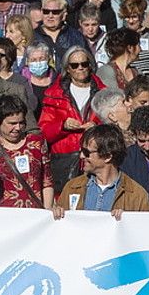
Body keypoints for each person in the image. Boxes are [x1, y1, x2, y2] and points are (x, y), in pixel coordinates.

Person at [52, 123, 149, 218]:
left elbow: (144, 231)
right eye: (81, 151)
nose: (81, 156)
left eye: (87, 153)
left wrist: (126, 220)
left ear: (107, 157)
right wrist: (56, 214)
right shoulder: (72, 187)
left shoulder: (137, 195)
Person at [39, 45, 104, 191]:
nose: (80, 68)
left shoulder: (103, 93)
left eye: (84, 64)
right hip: (63, 160)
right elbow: (43, 131)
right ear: (68, 69)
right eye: (75, 65)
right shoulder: (53, 95)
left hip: (96, 157)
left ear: (90, 65)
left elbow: (112, 123)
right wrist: (62, 126)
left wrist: (97, 127)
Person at [0, 94, 51, 209]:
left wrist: (47, 212)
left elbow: (47, 181)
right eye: (12, 123)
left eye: (21, 123)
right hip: (5, 216)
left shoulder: (37, 143)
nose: (18, 128)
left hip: (36, 214)